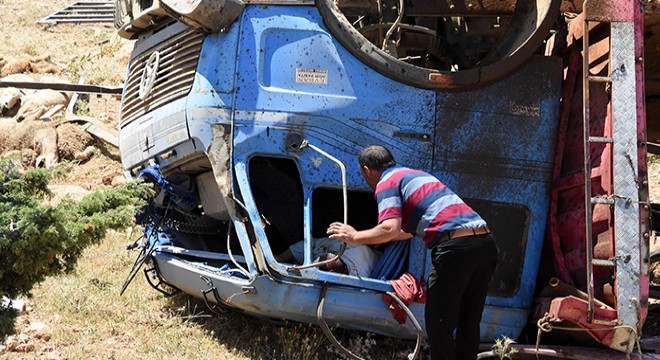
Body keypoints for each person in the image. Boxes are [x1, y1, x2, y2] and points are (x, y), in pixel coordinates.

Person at [327, 145, 498, 360]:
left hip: (456, 248)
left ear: (367, 170)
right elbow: (403, 232)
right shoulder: (416, 175)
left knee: (439, 323)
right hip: (485, 244)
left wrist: (353, 236)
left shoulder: (386, 183)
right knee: (468, 322)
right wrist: (374, 237)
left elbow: (389, 228)